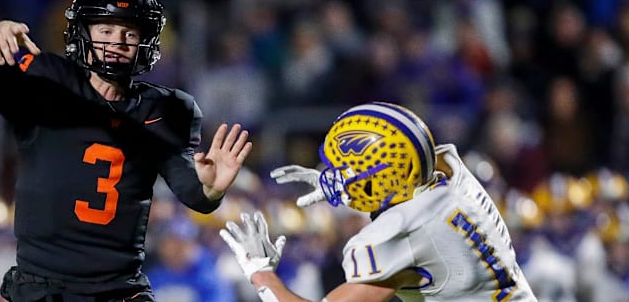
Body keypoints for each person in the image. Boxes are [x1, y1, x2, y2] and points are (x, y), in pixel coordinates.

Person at [0, 0, 253, 302]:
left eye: (130, 33)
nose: (118, 42)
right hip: (45, 287)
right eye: (106, 30)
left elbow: (191, 190)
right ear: (84, 32)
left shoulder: (166, 108)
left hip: (119, 290)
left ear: (146, 40)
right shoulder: (49, 83)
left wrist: (211, 188)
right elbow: (2, 86)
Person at [220, 101, 537, 301]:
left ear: (383, 176)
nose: (337, 174)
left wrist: (261, 273)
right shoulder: (449, 173)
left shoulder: (402, 232)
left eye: (347, 167)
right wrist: (356, 184)